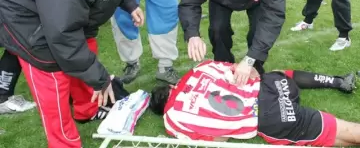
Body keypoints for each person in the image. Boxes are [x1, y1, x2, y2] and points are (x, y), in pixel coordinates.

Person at [0, 0, 164, 148]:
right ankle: (64, 143)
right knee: (50, 69)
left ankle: (86, 110)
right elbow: (63, 34)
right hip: (21, 9)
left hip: (56, 2)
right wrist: (101, 79)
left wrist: (128, 3)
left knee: (87, 49)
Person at [149, 60, 358, 147]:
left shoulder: (172, 120)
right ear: (171, 87)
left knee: (335, 132)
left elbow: (216, 140)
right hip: (272, 86)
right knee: (277, 74)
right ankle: (337, 81)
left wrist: (229, 123)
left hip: (271, 117)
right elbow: (244, 70)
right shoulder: (198, 69)